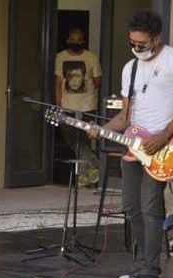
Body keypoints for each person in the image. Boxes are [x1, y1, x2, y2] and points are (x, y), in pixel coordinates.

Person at [89, 11, 173, 278]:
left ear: (157, 39)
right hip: (133, 147)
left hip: (164, 146)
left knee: (151, 208)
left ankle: (152, 269)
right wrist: (97, 128)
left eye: (142, 44)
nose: (137, 48)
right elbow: (125, 118)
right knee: (131, 208)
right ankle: (141, 264)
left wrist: (164, 136)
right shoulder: (130, 68)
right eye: (133, 43)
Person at [55, 28, 102, 186]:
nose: (76, 42)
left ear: (83, 41)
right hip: (67, 107)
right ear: (68, 39)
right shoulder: (60, 57)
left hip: (88, 106)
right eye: (72, 39)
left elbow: (98, 82)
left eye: (79, 39)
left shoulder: (91, 57)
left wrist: (86, 80)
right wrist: (58, 105)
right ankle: (96, 165)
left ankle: (83, 179)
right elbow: (58, 83)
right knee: (72, 141)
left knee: (85, 141)